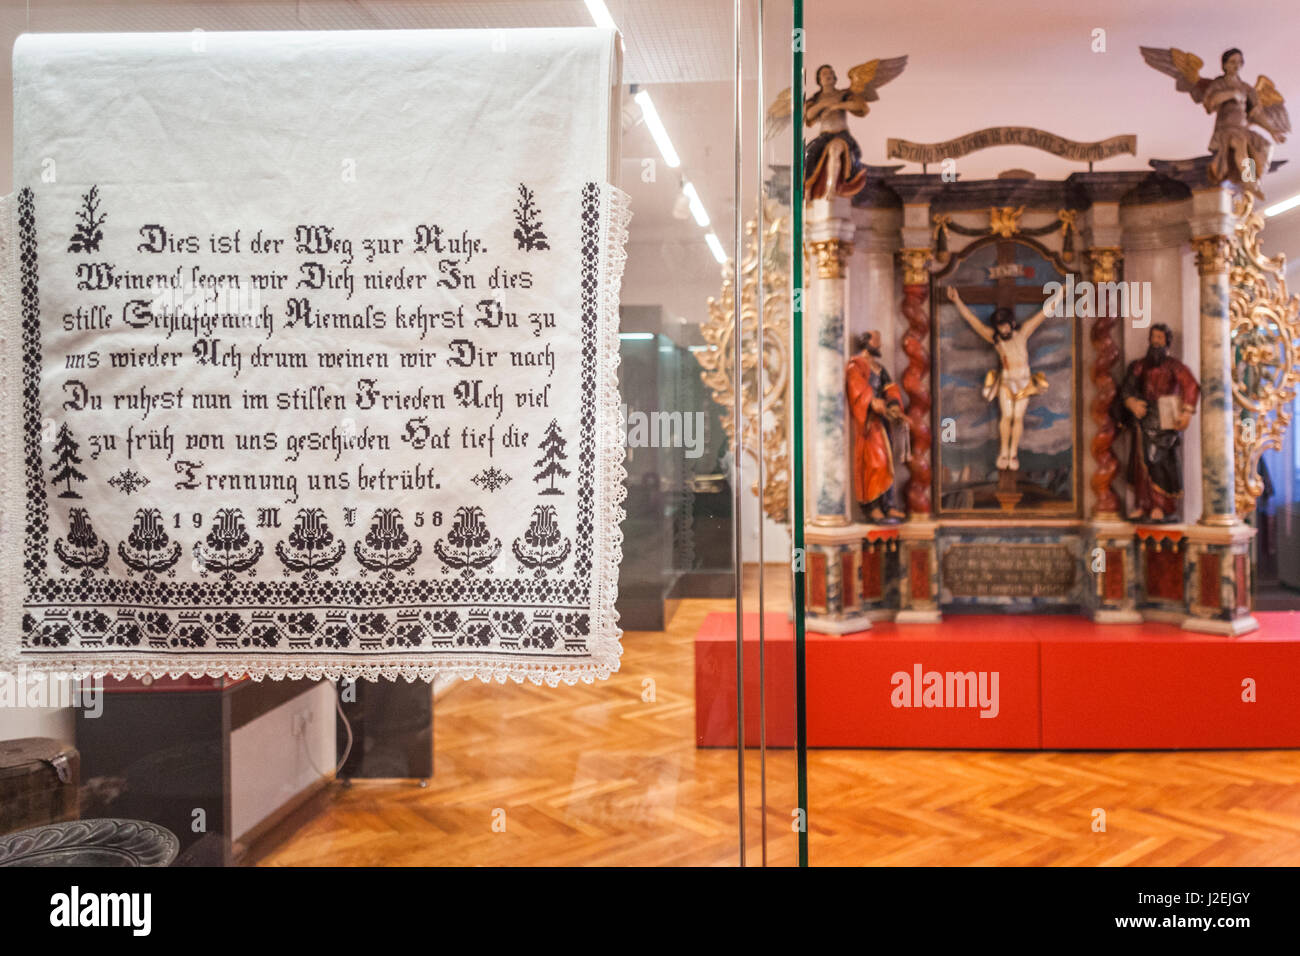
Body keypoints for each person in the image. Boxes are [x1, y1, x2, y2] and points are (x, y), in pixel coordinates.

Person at [946, 286, 1051, 471]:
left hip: (1024, 383)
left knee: (1017, 418)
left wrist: (1059, 295)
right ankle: (1003, 452)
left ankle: (1013, 454)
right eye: (999, 326)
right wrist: (957, 301)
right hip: (1006, 381)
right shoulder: (996, 339)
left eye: (1005, 324)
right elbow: (974, 322)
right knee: (1007, 416)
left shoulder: (1023, 333)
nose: (1002, 329)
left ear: (1011, 323)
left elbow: (1042, 314)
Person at [1119, 324, 1199, 522]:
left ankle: (1161, 506)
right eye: (1153, 337)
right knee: (1141, 462)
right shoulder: (1138, 366)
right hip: (1144, 417)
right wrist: (1131, 403)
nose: (1155, 341)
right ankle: (1142, 504)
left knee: (1160, 462)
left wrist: (1187, 412)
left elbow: (1191, 385)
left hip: (1165, 417)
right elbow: (1127, 388)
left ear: (1167, 342)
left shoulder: (1174, 366)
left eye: (1160, 338)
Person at [845, 330, 905, 522]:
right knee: (875, 462)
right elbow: (857, 387)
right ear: (866, 343)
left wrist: (894, 405)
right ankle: (872, 505)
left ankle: (888, 505)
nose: (879, 346)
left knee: (887, 462)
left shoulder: (879, 367)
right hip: (869, 423)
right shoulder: (856, 364)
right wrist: (871, 401)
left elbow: (890, 388)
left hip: (883, 421)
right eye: (876, 342)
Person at [803, 65, 869, 200]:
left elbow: (860, 106)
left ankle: (831, 189)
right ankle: (807, 190)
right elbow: (808, 115)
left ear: (834, 78)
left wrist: (838, 105)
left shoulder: (843, 95)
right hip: (824, 135)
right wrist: (823, 104)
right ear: (819, 80)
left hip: (841, 133)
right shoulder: (816, 98)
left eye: (830, 73)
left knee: (835, 150)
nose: (828, 76)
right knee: (808, 154)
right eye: (824, 74)